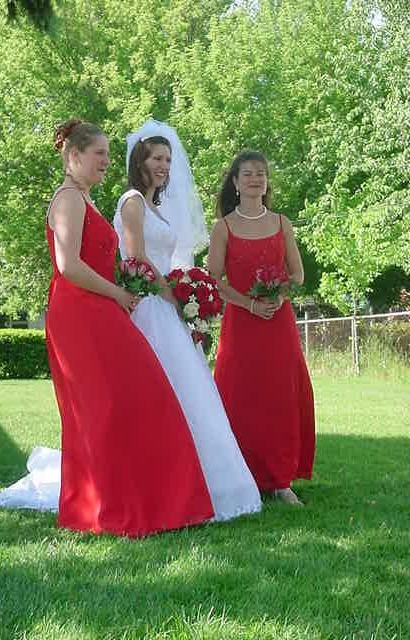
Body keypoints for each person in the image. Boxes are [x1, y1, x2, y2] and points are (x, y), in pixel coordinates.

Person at [0, 119, 214, 536]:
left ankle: (148, 499)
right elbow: (68, 265)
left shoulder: (87, 200)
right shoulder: (68, 200)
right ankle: (106, 507)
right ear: (74, 156)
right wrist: (116, 293)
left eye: (109, 155)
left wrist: (125, 290)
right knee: (103, 407)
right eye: (99, 155)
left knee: (140, 395)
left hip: (102, 306)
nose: (107, 162)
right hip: (79, 312)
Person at [113, 119, 262, 521]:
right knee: (162, 391)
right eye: (156, 158)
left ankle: (206, 482)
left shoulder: (156, 207)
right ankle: (159, 481)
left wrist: (187, 291)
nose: (163, 166)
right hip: (148, 307)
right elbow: (135, 258)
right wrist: (173, 294)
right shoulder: (132, 202)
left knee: (190, 391)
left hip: (168, 306)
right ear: (139, 160)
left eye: (168, 159)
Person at [208, 150, 315, 505]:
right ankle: (242, 474)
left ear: (266, 182)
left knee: (280, 395)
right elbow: (213, 281)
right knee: (240, 394)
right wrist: (249, 303)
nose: (256, 179)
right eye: (248, 174)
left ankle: (280, 479)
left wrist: (280, 295)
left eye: (261, 174)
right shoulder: (223, 227)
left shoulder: (282, 223)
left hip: (278, 324)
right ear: (236, 183)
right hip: (241, 324)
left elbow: (297, 273)